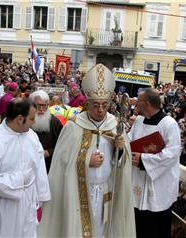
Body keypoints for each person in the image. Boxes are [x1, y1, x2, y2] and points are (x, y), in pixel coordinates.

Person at [38, 64, 136, 237]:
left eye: (105, 105)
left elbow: (123, 164)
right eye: (96, 105)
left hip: (106, 191)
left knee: (101, 231)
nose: (100, 110)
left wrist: (120, 150)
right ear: (87, 103)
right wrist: (85, 160)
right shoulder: (73, 126)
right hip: (77, 192)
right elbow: (61, 162)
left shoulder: (114, 125)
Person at [0, 98, 51, 237]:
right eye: (32, 118)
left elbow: (39, 169)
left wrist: (40, 201)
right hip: (1, 206)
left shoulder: (32, 136)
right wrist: (19, 179)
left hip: (28, 204)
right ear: (20, 119)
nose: (34, 122)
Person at [128, 88, 181, 238]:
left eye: (139, 102)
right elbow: (130, 140)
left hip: (158, 186)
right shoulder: (138, 121)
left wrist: (143, 160)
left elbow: (171, 154)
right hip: (138, 181)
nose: (136, 104)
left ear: (148, 104)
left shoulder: (169, 124)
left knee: (155, 229)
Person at [29, 90, 63, 172]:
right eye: (38, 106)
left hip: (49, 166)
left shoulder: (55, 122)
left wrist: (49, 152)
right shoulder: (25, 121)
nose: (41, 109)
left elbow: (64, 145)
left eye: (44, 106)